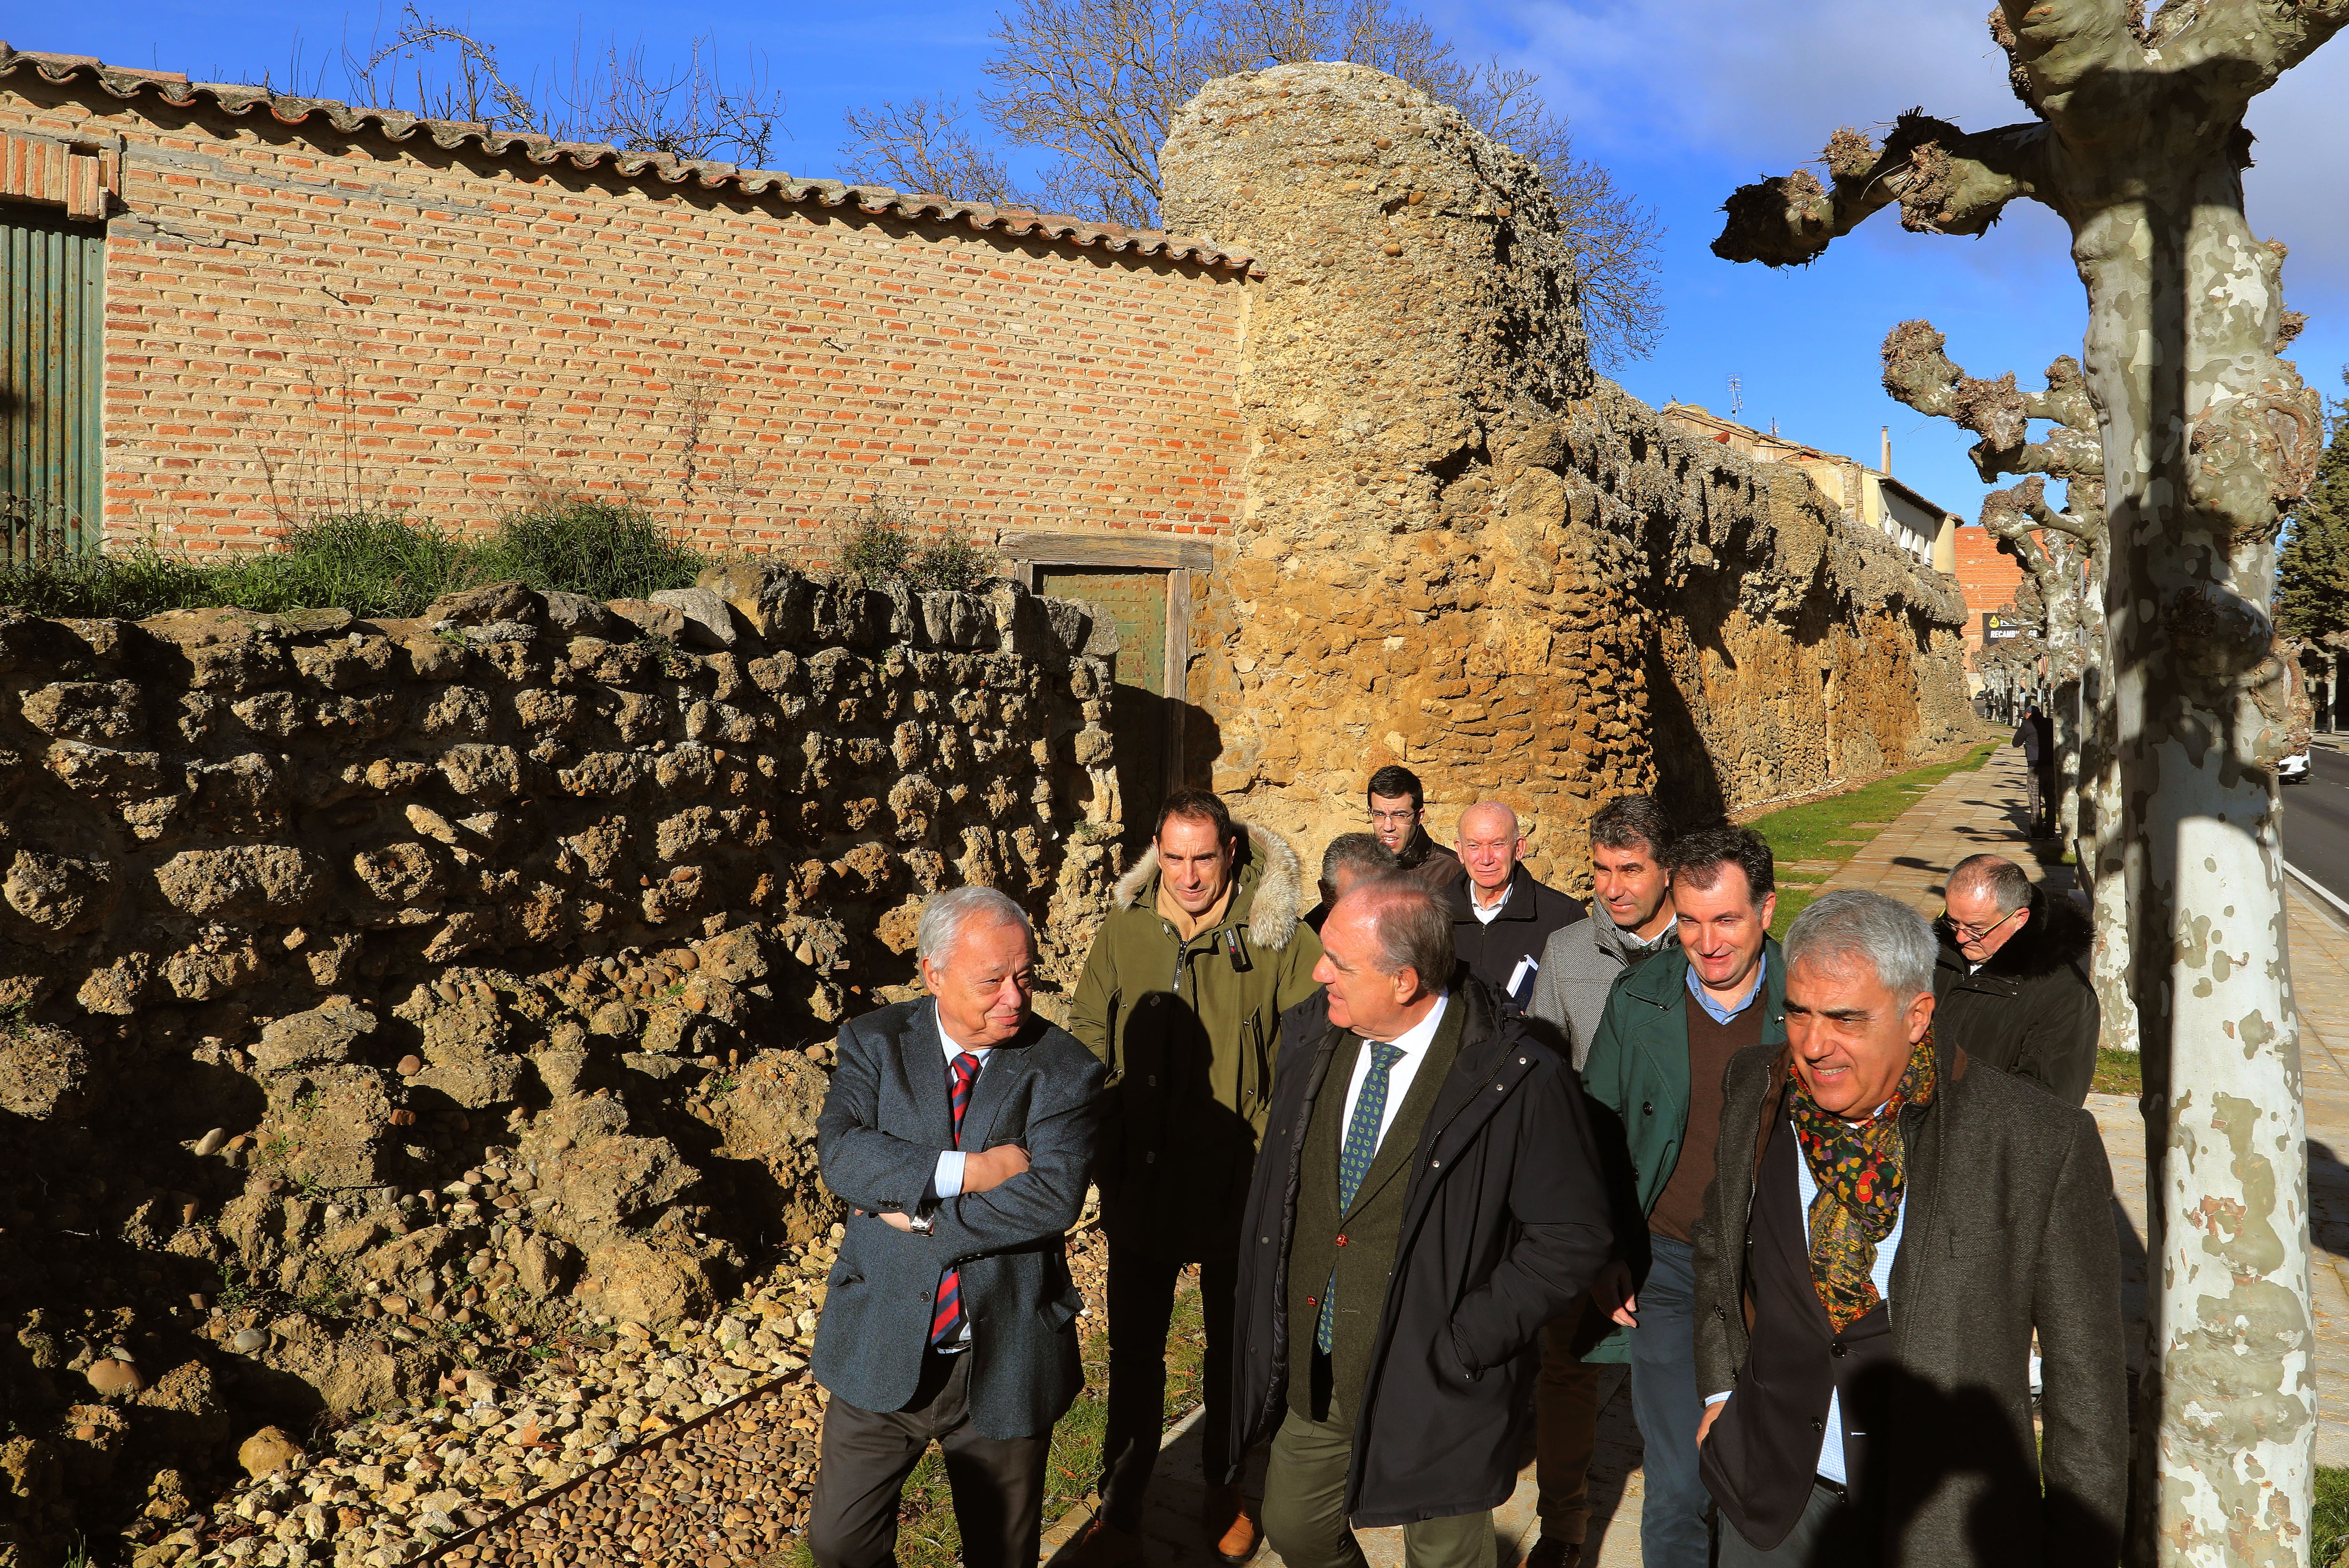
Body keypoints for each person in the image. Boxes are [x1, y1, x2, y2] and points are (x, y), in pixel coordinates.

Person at [1692, 890, 2126, 1566]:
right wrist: (1721, 1388)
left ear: (1917, 1014)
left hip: (1940, 1526)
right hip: (1770, 1503)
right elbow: (1719, 1245)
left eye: (1845, 1019)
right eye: (1798, 1012)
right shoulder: (1755, 1085)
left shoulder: (2037, 1141)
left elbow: (2086, 1389)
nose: (1812, 1044)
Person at [1222, 877, 1613, 1568]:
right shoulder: (1314, 1038)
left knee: (1444, 1559)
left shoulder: (1518, 1076)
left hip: (1438, 1380)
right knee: (1295, 1523)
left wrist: (1468, 1338)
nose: (1319, 973)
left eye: (1339, 962)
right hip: (1321, 1362)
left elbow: (1571, 1235)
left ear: (1404, 981)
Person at [807, 887, 1109, 1568]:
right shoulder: (874, 1041)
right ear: (933, 973)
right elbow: (842, 1153)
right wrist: (970, 1169)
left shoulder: (1063, 1067)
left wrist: (912, 1212)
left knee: (1000, 1556)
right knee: (840, 1544)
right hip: (882, 1341)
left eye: (1024, 976)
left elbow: (1052, 1197)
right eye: (992, 980)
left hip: (1002, 1355)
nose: (1014, 997)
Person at [1066, 789, 1323, 1568]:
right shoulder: (1127, 927)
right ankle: (1124, 1502)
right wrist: (1104, 1144)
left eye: (1203, 856)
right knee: (1136, 1350)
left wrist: (1283, 1160)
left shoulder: (1276, 935)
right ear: (1156, 847)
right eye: (1173, 856)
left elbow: (1309, 1052)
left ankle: (1223, 1479)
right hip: (1141, 1181)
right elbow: (1087, 1034)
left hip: (1235, 1182)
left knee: (1232, 1348)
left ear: (1232, 852)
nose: (1187, 874)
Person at [1578, 824, 1784, 1568]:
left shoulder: (1812, 1001)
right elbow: (1593, 1135)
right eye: (1691, 920)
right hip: (1666, 1268)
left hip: (1777, 1274)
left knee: (1770, 1476)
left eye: (1727, 918)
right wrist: (1607, 1251)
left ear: (1765, 908)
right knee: (1677, 1483)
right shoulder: (1641, 998)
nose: (1708, 940)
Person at [1517, 794, 1680, 1568]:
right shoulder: (1567, 950)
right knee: (1569, 1368)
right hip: (1586, 1193)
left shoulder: (1708, 950)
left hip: (1679, 1195)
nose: (1614, 887)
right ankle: (1563, 1523)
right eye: (1602, 870)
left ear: (1668, 869)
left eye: (1631, 869)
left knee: (1681, 1369)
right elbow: (1545, 1072)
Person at [1930, 854, 2099, 1104]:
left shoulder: (2067, 996)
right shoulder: (1934, 956)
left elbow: (2050, 1102)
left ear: (2019, 919)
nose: (1961, 938)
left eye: (1977, 928)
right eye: (1954, 922)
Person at [1446, 800, 1587, 1004]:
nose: (1486, 859)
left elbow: (1582, 1004)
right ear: (1460, 851)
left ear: (1519, 849)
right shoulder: (1431, 911)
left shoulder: (1563, 916)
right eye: (1474, 846)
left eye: (1497, 845)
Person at [1367, 764, 1464, 893]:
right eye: (1379, 814)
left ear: (1419, 816)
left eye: (1400, 815)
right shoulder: (1356, 866)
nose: (1388, 827)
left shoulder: (1451, 870)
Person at [1306, 832, 1401, 934]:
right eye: (1353, 902)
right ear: (1326, 894)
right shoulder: (1309, 935)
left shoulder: (1410, 931)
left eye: (1377, 899)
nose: (1367, 916)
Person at [2013, 704, 2054, 834]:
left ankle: (2036, 830)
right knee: (2051, 799)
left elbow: (2016, 743)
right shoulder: (2051, 723)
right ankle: (2050, 830)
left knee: (2034, 797)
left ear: (2028, 715)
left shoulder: (2027, 725)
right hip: (2051, 765)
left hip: (2034, 765)